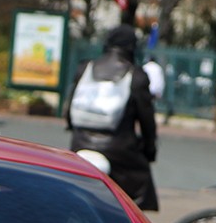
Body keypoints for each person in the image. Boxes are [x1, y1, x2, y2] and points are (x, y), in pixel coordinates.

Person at [67, 24, 159, 210]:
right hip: (118, 152)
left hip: (79, 144)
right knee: (139, 187)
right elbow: (147, 121)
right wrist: (150, 149)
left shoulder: (85, 68)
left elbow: (68, 111)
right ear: (132, 47)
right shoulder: (136, 76)